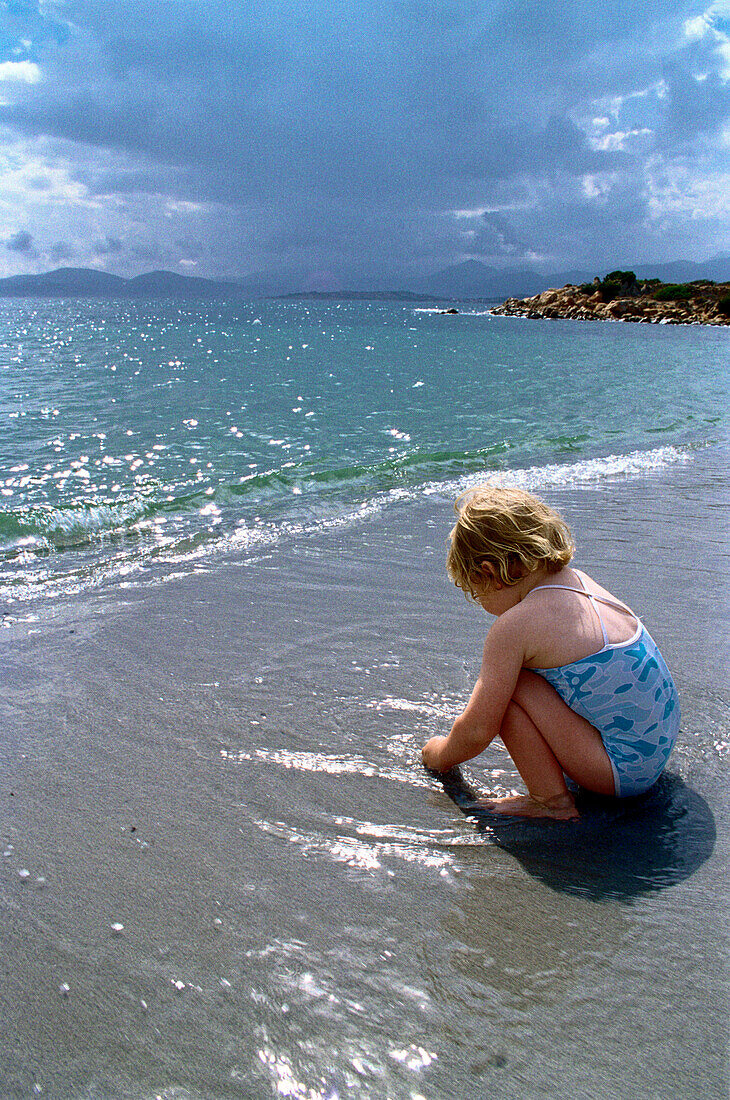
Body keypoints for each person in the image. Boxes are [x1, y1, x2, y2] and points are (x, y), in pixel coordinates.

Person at [421, 484, 680, 820]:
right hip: (654, 751)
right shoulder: (579, 582)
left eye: (475, 592)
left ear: (489, 572)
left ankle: (551, 802)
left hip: (621, 773)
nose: (482, 604)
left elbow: (477, 731)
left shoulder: (515, 627)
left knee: (510, 688)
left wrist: (437, 755)